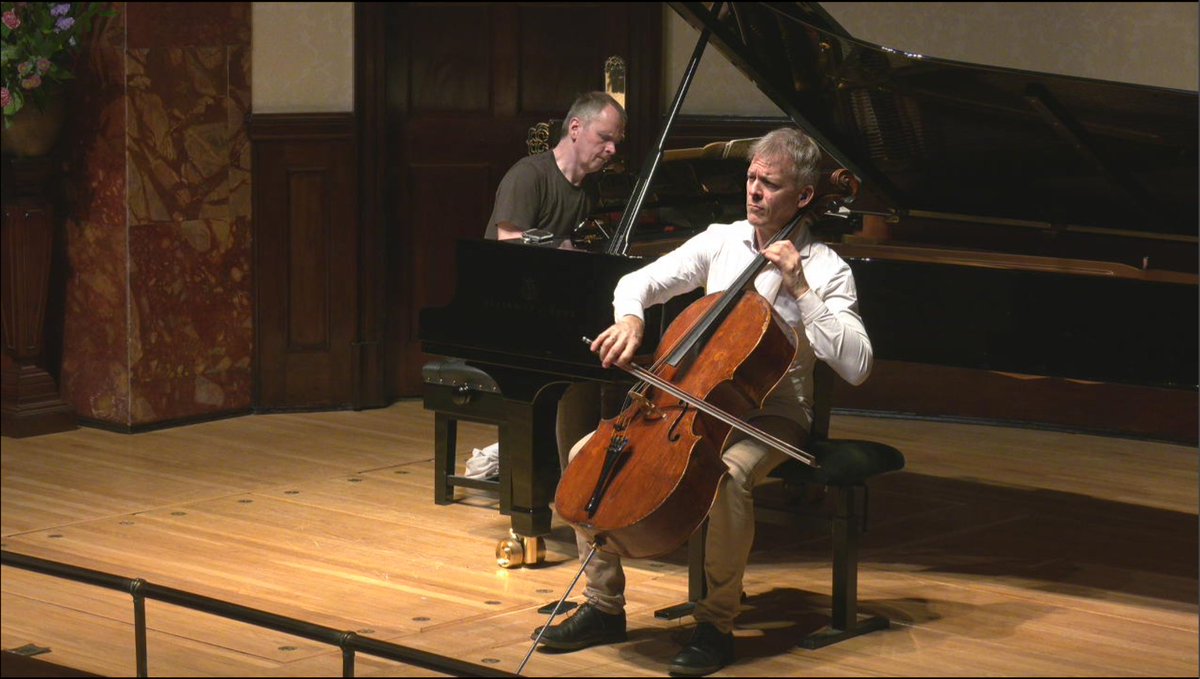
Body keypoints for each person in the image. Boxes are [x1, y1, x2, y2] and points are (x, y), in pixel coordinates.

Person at [530, 127, 874, 677]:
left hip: (774, 414)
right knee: (582, 454)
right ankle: (602, 605)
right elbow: (637, 283)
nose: (754, 192)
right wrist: (631, 320)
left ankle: (716, 623)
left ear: (804, 197)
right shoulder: (721, 240)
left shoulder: (827, 268)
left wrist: (802, 290)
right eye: (751, 179)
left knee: (729, 478)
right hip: (690, 401)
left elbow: (856, 365)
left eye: (771, 184)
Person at [483, 91, 628, 471]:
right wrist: (560, 248)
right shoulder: (529, 175)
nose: (612, 149)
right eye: (605, 138)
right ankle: (554, 469)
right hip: (509, 304)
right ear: (576, 128)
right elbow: (507, 245)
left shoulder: (590, 189)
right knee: (582, 365)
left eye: (617, 141)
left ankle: (590, 464)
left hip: (555, 302)